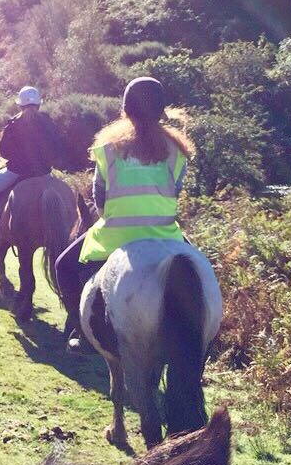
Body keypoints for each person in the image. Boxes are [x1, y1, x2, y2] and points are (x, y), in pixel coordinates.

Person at [54, 77, 192, 350]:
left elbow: (99, 198)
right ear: (161, 111)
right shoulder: (178, 151)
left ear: (126, 110)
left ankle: (81, 331)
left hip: (116, 237)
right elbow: (176, 191)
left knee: (63, 267)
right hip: (166, 237)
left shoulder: (108, 149)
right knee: (201, 275)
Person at [0, 86, 64, 246]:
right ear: (39, 104)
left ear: (20, 105)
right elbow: (58, 147)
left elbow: (4, 151)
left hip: (17, 172)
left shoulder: (14, 123)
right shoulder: (48, 121)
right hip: (44, 173)